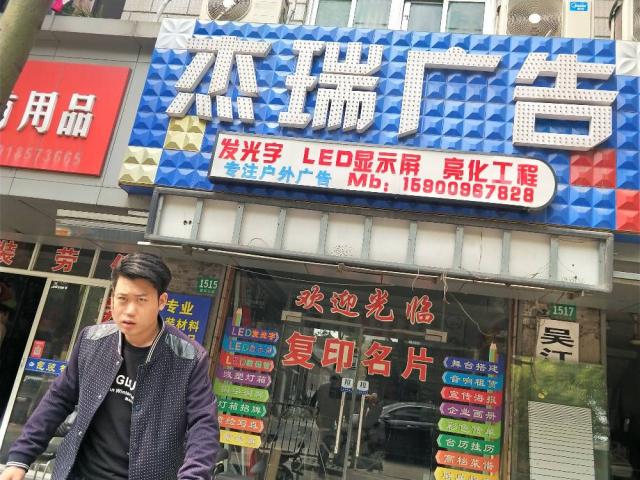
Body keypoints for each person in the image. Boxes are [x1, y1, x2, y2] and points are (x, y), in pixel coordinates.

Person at [1, 253, 220, 480]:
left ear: (161, 301)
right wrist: (20, 458)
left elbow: (203, 425)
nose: (129, 310)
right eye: (122, 298)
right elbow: (59, 399)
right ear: (112, 297)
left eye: (141, 300)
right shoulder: (92, 340)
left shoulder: (188, 358)